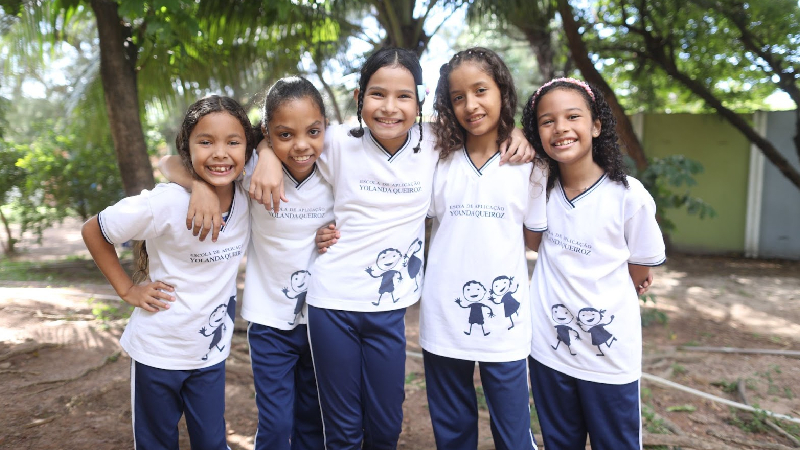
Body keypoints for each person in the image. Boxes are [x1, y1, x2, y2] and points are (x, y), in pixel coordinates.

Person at [247, 47, 533, 449]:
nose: (390, 107)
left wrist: (514, 131)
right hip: (332, 302)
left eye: (403, 96)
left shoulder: (438, 143)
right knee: (343, 430)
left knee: (385, 427)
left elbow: (485, 131)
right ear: (359, 97)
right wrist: (263, 154)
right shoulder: (335, 141)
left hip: (389, 310)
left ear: (419, 102)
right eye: (378, 94)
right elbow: (286, 137)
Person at [159, 77, 330, 450]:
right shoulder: (250, 166)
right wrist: (203, 185)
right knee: (276, 422)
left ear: (324, 128)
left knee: (313, 419)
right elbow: (167, 162)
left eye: (313, 131)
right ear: (268, 132)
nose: (301, 145)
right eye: (283, 135)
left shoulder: (334, 162)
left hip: (323, 317)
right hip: (270, 320)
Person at [81, 95, 254, 450]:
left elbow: (270, 146)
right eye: (205, 142)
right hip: (159, 351)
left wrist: (202, 181)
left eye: (233, 142)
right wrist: (128, 290)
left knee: (212, 442)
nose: (220, 152)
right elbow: (93, 230)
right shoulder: (166, 203)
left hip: (210, 352)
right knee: (156, 444)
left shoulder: (248, 193)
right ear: (187, 149)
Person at [521, 78, 666, 450]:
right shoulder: (541, 190)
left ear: (596, 125)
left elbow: (640, 271)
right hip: (550, 350)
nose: (561, 128)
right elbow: (531, 243)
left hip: (609, 359)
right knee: (559, 442)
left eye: (573, 116)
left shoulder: (628, 196)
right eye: (547, 121)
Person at [420, 47, 545, 450]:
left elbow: (535, 239)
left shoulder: (530, 165)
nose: (471, 105)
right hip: (443, 314)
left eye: (480, 90)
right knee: (452, 432)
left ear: (502, 91)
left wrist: (524, 135)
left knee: (513, 432)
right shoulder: (437, 158)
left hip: (506, 325)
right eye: (458, 97)